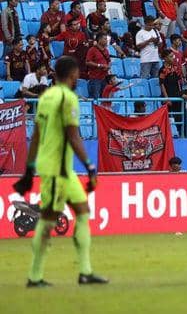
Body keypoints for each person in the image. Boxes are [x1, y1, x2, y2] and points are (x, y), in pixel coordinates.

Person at [13, 56, 110, 286]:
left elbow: (36, 135)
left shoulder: (46, 97)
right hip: (56, 170)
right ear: (73, 74)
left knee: (83, 211)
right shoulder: (68, 98)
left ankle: (85, 272)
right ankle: (34, 276)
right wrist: (90, 165)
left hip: (62, 170)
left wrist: (29, 168)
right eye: (77, 74)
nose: (78, 78)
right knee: (48, 220)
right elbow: (73, 135)